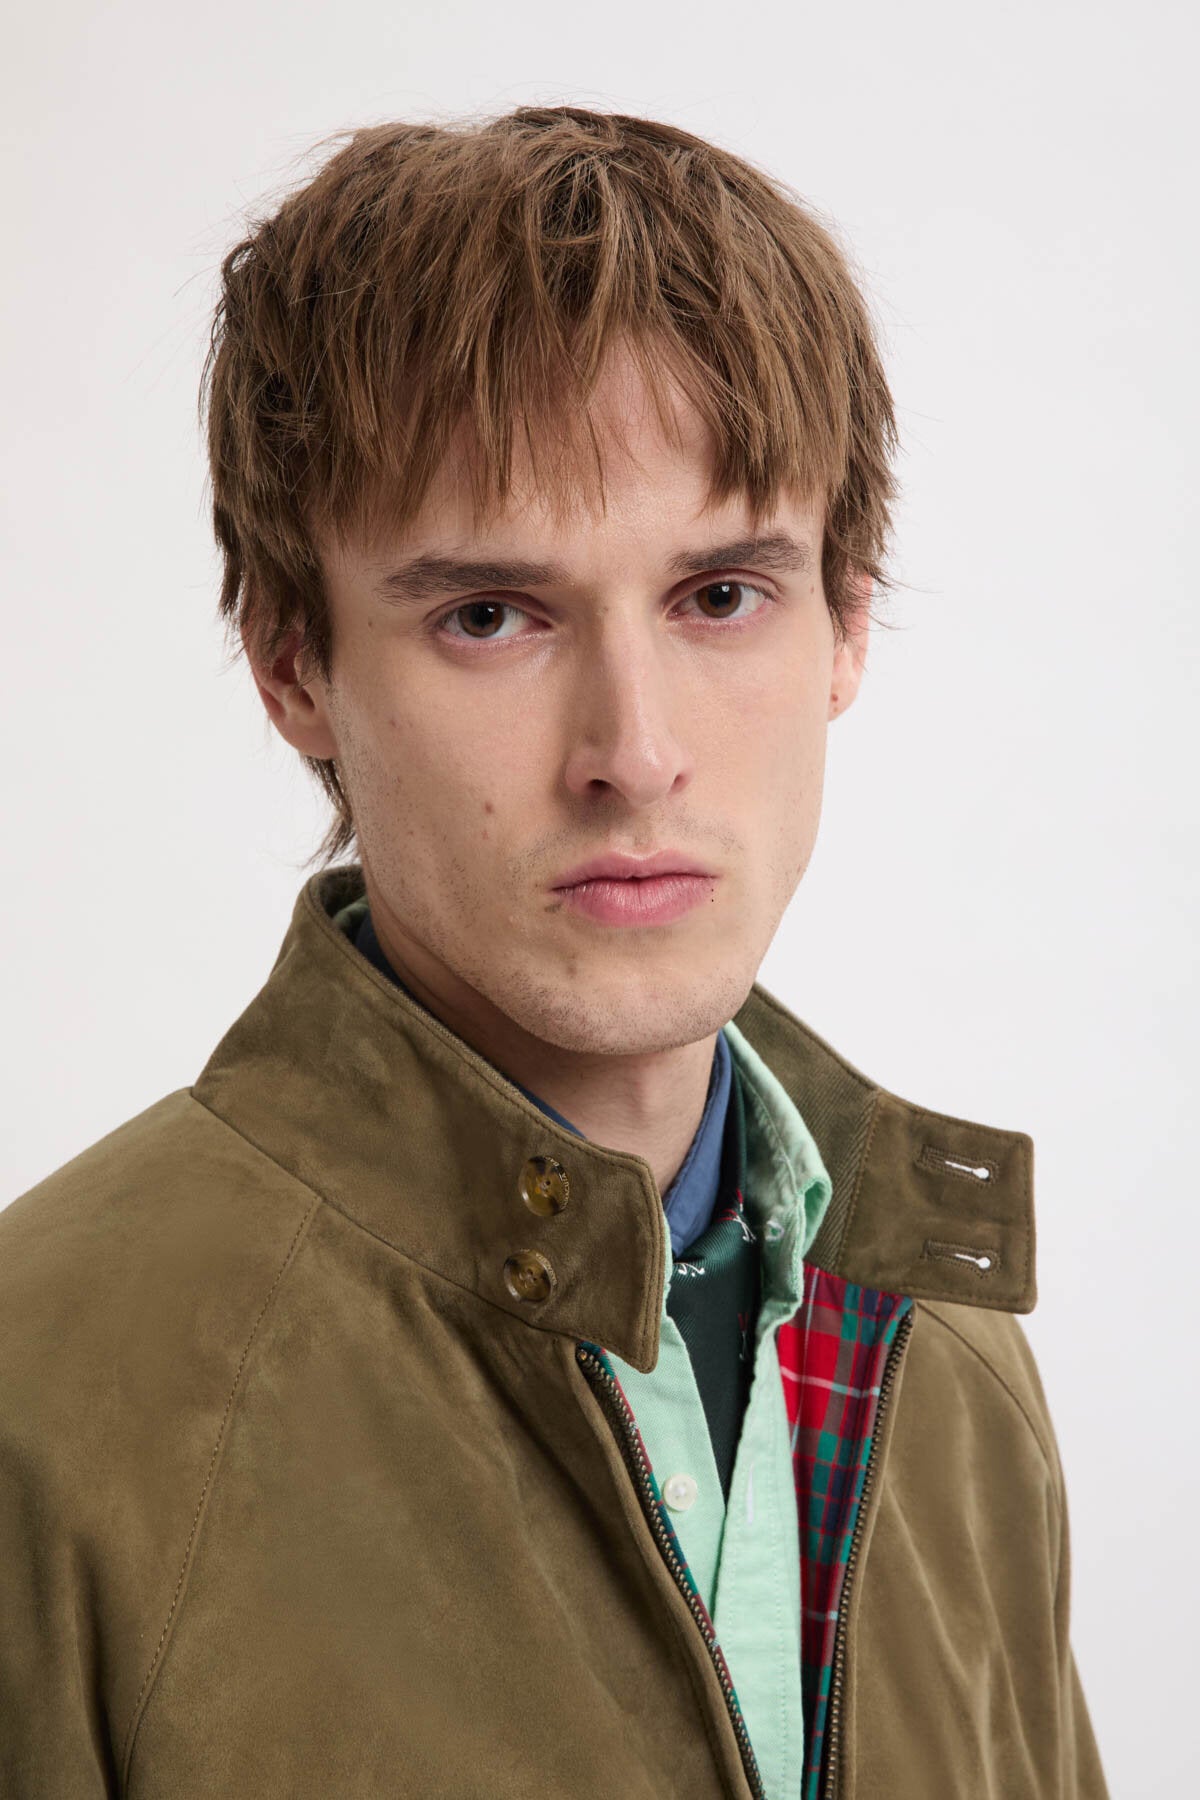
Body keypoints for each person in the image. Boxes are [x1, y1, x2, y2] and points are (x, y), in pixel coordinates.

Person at [0, 107, 1109, 1798]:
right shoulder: (48, 1404)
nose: (634, 753)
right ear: (293, 664)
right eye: (490, 616)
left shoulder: (947, 1353)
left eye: (720, 594)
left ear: (847, 620)